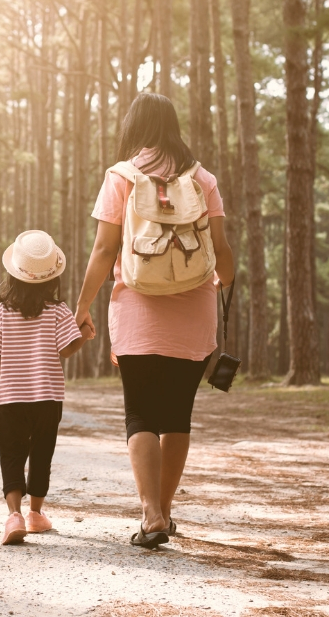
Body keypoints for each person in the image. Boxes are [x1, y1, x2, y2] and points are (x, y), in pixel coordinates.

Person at [74, 93, 236, 548]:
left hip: (137, 309)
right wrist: (220, 287)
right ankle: (165, 510)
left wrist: (83, 305)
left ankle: (151, 515)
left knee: (140, 412)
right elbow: (221, 252)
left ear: (135, 127)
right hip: (194, 310)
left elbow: (105, 251)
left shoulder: (121, 176)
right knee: (177, 416)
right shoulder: (203, 179)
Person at [0, 230, 94, 546]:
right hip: (48, 397)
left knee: (11, 454)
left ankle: (13, 514)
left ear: (14, 274)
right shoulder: (57, 310)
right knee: (42, 453)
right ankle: (35, 514)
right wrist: (83, 333)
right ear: (50, 277)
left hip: (13, 397)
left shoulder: (2, 312)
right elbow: (66, 350)